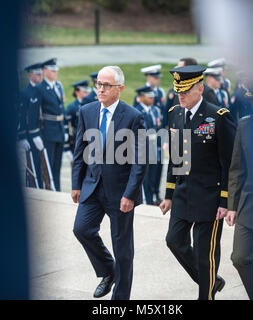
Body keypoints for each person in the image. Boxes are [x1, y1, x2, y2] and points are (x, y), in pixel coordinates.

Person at [159, 65, 236, 300]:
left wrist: (226, 200)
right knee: (174, 240)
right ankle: (211, 280)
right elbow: (176, 158)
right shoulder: (175, 113)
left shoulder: (218, 117)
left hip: (210, 199)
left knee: (205, 255)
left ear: (200, 88)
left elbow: (229, 164)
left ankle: (206, 295)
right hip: (183, 193)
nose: (179, 95)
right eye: (177, 91)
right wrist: (169, 195)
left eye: (185, 91)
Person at [71, 66, 147, 300]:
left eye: (106, 85)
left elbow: (140, 161)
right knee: (81, 229)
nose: (100, 89)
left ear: (120, 89)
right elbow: (79, 150)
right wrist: (76, 184)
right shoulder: (87, 111)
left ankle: (120, 300)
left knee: (122, 248)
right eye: (99, 84)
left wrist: (130, 194)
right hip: (91, 186)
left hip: (121, 193)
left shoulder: (134, 116)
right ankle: (108, 270)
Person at [226, 114, 253, 299]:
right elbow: (237, 168)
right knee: (240, 257)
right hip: (251, 203)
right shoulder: (245, 124)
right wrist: (232, 206)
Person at [35, 58, 68, 191]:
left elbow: (62, 108)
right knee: (47, 166)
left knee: (57, 166)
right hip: (47, 131)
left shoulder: (58, 86)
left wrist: (65, 129)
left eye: (56, 70)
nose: (55, 72)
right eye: (52, 70)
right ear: (44, 71)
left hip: (59, 130)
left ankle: (57, 191)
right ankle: (48, 190)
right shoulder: (40, 89)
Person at [17, 62, 44, 188]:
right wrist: (21, 136)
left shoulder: (43, 90)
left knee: (45, 166)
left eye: (40, 73)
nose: (39, 76)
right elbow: (21, 116)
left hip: (44, 134)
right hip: (30, 135)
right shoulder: (25, 93)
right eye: (36, 74)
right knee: (34, 166)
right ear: (29, 74)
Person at [135, 85, 158, 205]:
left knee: (153, 177)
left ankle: (150, 199)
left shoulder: (153, 110)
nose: (152, 99)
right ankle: (144, 200)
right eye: (149, 96)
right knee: (145, 177)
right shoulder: (138, 111)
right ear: (141, 97)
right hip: (143, 150)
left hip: (153, 148)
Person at [65, 80, 91, 165]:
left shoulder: (91, 104)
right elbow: (68, 127)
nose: (87, 93)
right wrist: (67, 148)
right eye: (84, 91)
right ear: (77, 91)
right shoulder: (71, 107)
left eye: (87, 91)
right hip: (77, 139)